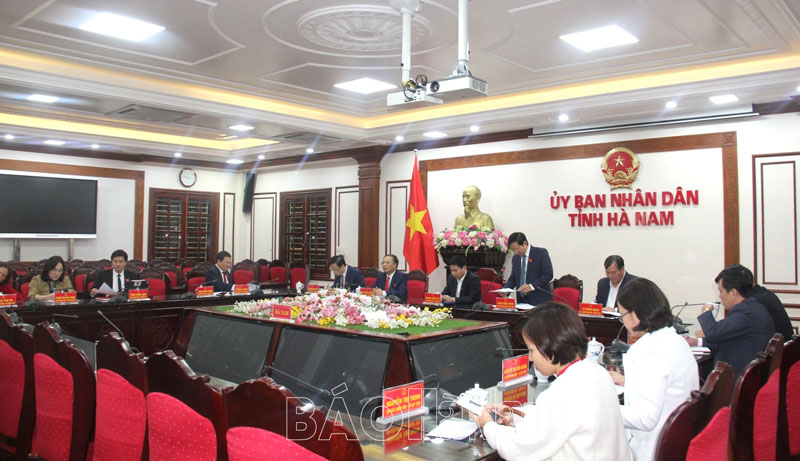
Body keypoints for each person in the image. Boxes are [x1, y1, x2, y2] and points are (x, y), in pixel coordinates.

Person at [473, 303, 629, 461]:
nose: (530, 358)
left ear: (550, 346)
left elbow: (518, 448)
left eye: (531, 350)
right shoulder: (595, 371)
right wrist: (517, 413)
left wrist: (487, 425)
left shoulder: (562, 393)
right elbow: (557, 419)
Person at [609, 278, 698, 461]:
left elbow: (645, 419)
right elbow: (664, 385)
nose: (622, 321)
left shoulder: (649, 351)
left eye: (622, 315)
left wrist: (601, 406)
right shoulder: (676, 341)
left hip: (650, 448)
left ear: (634, 316)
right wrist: (627, 381)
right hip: (677, 442)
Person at [686, 264, 774, 374]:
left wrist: (706, 311)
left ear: (733, 292)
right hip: (749, 372)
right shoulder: (753, 307)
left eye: (721, 291)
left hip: (736, 376)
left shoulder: (745, 312)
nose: (720, 296)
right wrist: (698, 341)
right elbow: (730, 338)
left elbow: (713, 333)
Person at [503, 232, 553, 306]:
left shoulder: (541, 253)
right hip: (521, 300)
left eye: (517, 249)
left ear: (524, 243)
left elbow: (548, 275)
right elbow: (513, 277)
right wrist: (505, 290)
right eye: (513, 250)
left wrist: (531, 286)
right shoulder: (516, 258)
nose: (515, 252)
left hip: (540, 300)